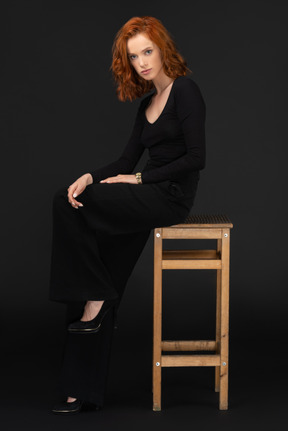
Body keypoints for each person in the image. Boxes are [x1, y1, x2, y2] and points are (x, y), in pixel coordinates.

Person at [50, 15, 206, 414]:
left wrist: (140, 179)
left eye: (147, 51)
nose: (141, 62)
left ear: (162, 47)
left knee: (91, 271)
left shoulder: (184, 91)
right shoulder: (146, 105)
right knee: (76, 215)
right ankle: (78, 389)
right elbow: (124, 159)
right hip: (145, 194)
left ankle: (95, 294)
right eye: (134, 56)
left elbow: (195, 158)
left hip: (169, 197)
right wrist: (87, 177)